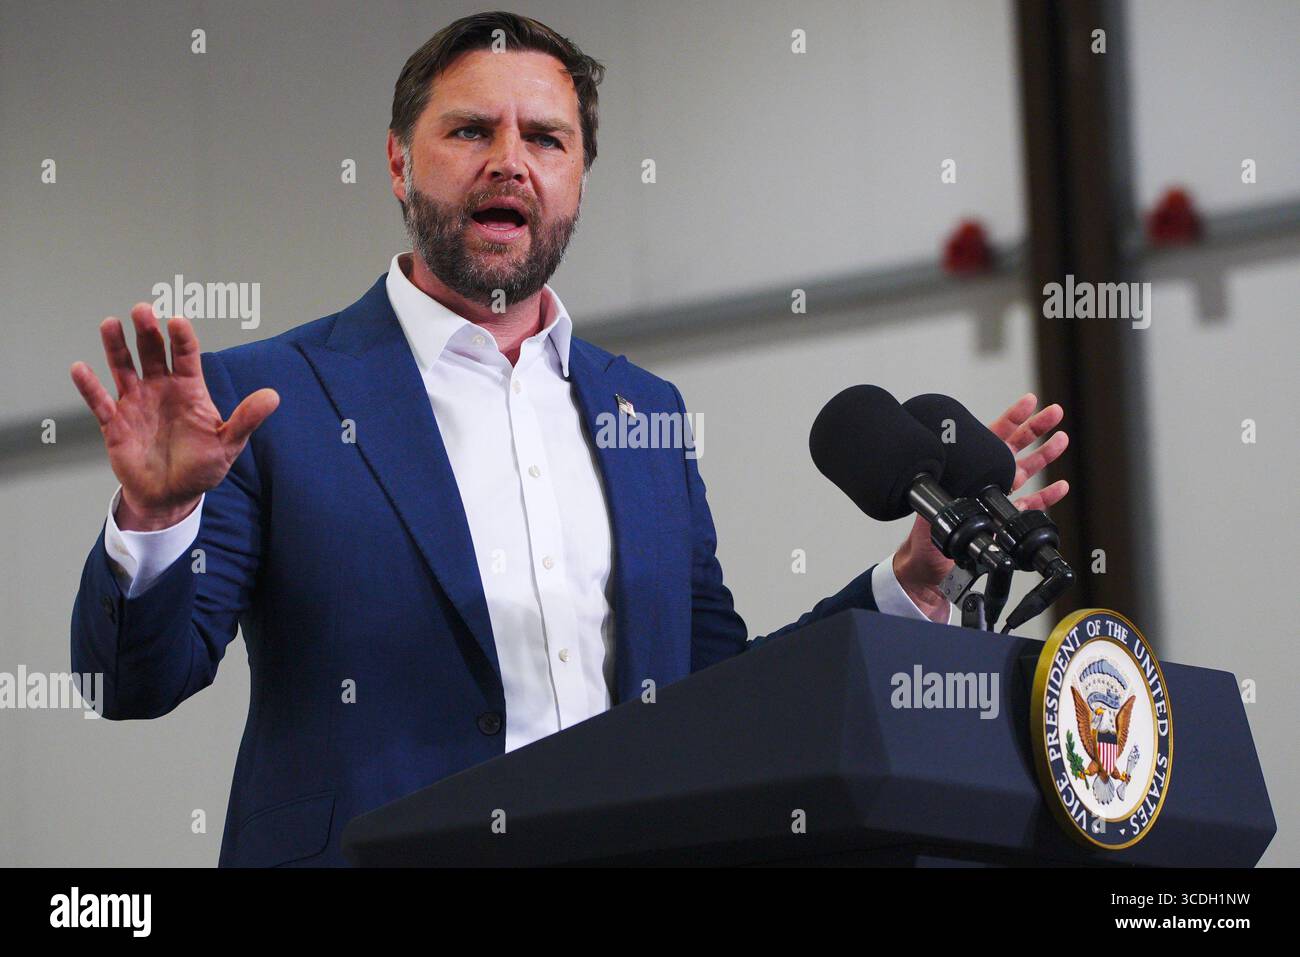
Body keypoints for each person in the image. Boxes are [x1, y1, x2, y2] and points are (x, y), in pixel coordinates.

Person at [68, 11, 1069, 866]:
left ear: (580, 176)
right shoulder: (267, 398)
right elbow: (133, 684)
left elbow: (714, 700)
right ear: (396, 161)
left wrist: (908, 583)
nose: (510, 158)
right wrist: (157, 517)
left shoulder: (645, 414)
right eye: (469, 130)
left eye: (545, 139)